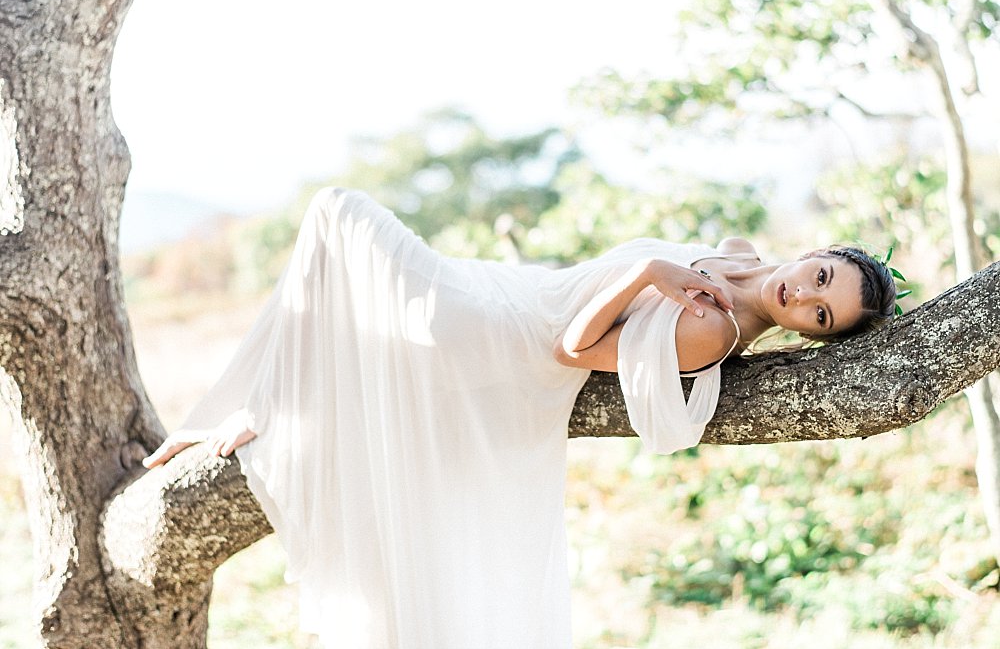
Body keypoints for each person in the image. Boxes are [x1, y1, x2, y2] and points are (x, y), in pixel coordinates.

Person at [143, 187, 896, 648]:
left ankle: (253, 402)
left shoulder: (712, 331)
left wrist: (647, 272)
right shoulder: (747, 266)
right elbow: (738, 246)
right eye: (820, 275)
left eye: (824, 316)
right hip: (496, 289)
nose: (805, 297)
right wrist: (735, 260)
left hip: (492, 328)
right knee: (335, 244)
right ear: (818, 251)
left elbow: (574, 349)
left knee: (338, 209)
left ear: (814, 337)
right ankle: (262, 403)